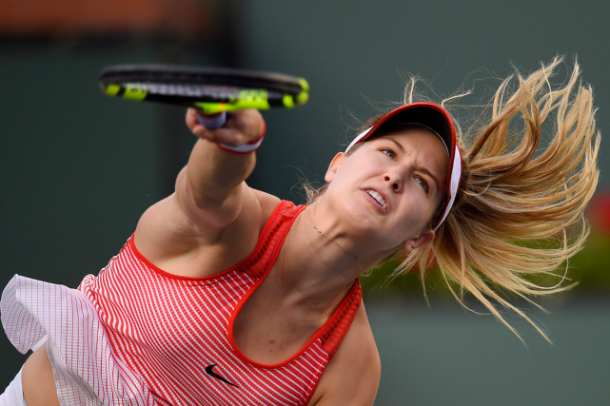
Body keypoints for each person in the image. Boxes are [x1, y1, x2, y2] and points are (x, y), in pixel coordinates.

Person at [0, 56, 600, 406]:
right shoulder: (235, 224)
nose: (395, 176)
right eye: (387, 152)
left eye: (421, 183)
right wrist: (235, 141)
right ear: (340, 163)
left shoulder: (351, 365)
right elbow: (204, 194)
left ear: (420, 237)